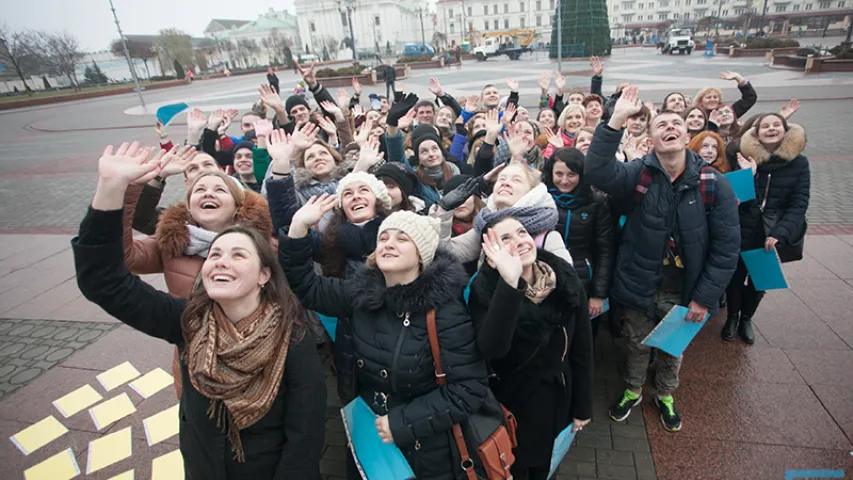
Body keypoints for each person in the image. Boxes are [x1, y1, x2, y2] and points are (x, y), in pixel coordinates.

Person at [74, 142, 326, 478]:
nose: (221, 261)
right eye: (216, 255)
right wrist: (110, 188)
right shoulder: (187, 322)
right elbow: (103, 281)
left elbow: (305, 436)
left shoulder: (294, 338)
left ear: (265, 273)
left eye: (239, 255)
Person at [280, 207, 489, 479]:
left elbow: (468, 389)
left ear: (421, 255)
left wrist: (402, 422)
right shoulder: (362, 292)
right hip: (369, 435)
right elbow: (307, 287)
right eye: (384, 238)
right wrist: (298, 229)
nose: (389, 244)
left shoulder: (444, 310)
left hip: (423, 449)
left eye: (402, 239)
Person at [585, 86, 740, 432]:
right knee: (637, 344)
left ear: (688, 135)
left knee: (672, 348)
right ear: (651, 137)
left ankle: (666, 394)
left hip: (684, 290)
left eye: (676, 124)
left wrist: (704, 297)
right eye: (661, 125)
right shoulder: (639, 174)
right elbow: (597, 172)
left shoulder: (713, 184)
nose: (669, 128)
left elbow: (726, 248)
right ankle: (633, 389)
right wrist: (615, 121)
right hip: (639, 283)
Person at [468, 216, 593, 480]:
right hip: (511, 407)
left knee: (547, 466)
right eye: (505, 239)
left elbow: (582, 347)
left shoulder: (566, 282)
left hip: (557, 398)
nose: (519, 241)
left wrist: (582, 406)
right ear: (491, 255)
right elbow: (493, 348)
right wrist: (510, 283)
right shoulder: (483, 290)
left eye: (522, 232)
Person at [723, 114, 809, 343]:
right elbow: (735, 197)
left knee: (760, 279)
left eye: (776, 125)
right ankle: (731, 317)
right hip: (743, 225)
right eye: (765, 126)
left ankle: (746, 318)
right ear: (756, 132)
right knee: (735, 275)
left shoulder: (799, 163)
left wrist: (780, 232)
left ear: (785, 130)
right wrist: (746, 175)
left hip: (772, 231)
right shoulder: (743, 156)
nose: (771, 129)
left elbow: (799, 203)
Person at [543, 148, 615, 337]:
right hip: (547, 277)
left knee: (583, 338)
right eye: (559, 174)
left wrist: (599, 294)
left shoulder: (596, 202)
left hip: (583, 277)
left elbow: (605, 249)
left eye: (571, 174)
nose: (564, 180)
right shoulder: (541, 198)